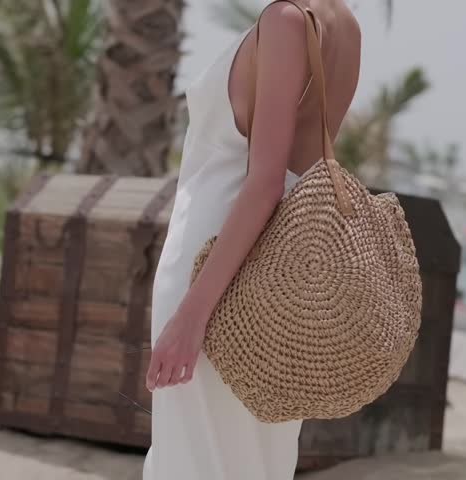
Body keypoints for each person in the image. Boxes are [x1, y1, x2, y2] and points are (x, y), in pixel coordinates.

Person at [143, 1, 361, 479]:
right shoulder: (345, 27)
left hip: (215, 271)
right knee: (257, 462)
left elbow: (263, 183)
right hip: (283, 284)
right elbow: (297, 173)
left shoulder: (284, 22)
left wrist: (192, 315)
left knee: (194, 459)